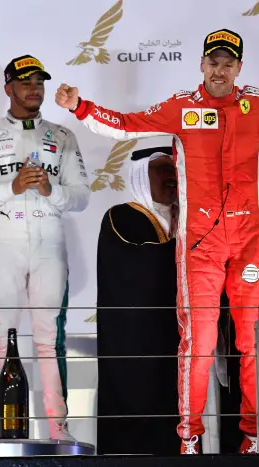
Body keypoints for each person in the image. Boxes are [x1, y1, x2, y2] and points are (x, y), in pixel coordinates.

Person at [55, 28, 259, 454]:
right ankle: (189, 439)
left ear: (239, 68)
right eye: (213, 62)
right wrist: (81, 106)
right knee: (199, 342)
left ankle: (253, 437)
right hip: (200, 248)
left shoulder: (257, 106)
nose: (220, 70)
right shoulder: (181, 107)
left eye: (228, 63)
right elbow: (127, 126)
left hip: (248, 243)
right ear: (202, 65)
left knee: (256, 341)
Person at [0, 54, 90, 441]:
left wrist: (52, 190)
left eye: (40, 83)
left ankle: (59, 428)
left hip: (50, 242)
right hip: (5, 242)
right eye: (26, 82)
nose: (34, 89)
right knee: (2, 335)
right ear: (8, 88)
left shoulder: (63, 137)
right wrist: (10, 188)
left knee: (51, 337)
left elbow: (80, 198)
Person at [95, 146, 180, 455]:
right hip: (134, 347)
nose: (172, 178)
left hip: (180, 343)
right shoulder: (121, 217)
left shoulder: (189, 219)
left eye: (174, 171)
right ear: (141, 176)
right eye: (162, 170)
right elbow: (138, 266)